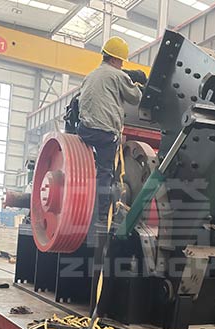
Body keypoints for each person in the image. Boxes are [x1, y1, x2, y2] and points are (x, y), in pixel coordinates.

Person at [77, 36, 142, 226]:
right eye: (121, 61)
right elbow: (135, 98)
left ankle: (85, 200)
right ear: (114, 59)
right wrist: (136, 84)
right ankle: (101, 216)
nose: (122, 65)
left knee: (96, 168)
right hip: (105, 133)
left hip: (84, 129)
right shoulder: (118, 76)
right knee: (106, 173)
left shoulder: (90, 75)